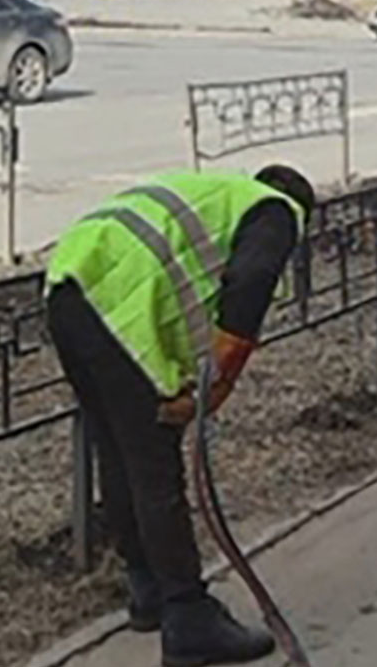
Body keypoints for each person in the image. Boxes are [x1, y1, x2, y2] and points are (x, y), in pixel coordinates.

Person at [44, 166, 315, 667]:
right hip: (117, 308)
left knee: (120, 453)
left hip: (67, 286)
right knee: (154, 465)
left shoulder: (216, 195)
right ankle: (188, 617)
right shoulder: (277, 211)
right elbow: (249, 289)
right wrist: (217, 388)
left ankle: (148, 591)